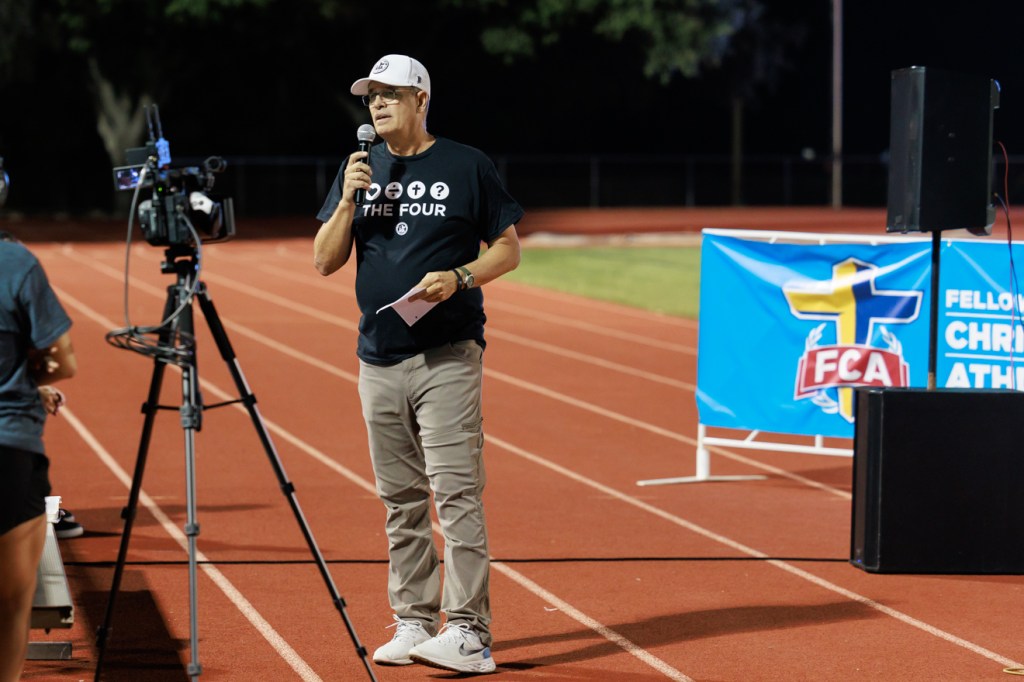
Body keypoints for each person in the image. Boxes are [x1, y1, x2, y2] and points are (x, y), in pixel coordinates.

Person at [313, 54, 523, 674]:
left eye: (390, 94)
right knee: (400, 501)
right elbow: (324, 260)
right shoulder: (359, 168)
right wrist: (347, 202)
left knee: (456, 495)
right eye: (371, 97)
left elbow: (508, 250)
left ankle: (469, 633)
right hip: (377, 359)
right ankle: (413, 619)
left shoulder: (466, 165)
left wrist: (460, 277)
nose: (377, 105)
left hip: (446, 356)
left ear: (421, 100)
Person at [0, 230, 76, 681]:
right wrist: (27, 383)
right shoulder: (15, 262)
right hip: (8, 445)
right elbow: (62, 361)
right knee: (12, 603)